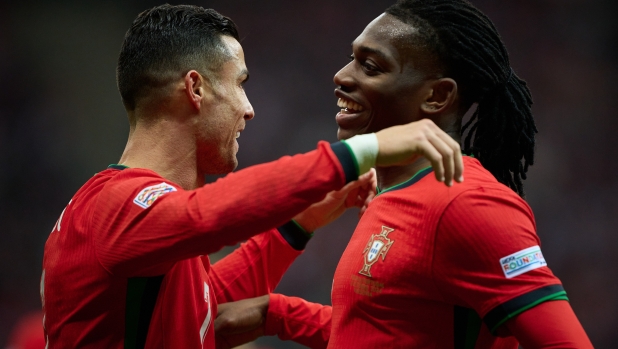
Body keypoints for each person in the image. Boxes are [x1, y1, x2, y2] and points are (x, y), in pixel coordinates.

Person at [39, 4, 464, 349]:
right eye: (239, 83)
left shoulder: (135, 216)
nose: (248, 108)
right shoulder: (115, 205)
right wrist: (362, 150)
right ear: (196, 88)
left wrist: (302, 222)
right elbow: (207, 217)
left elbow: (204, 305)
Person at [213, 1, 594, 348]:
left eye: (371, 66)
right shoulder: (388, 190)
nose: (341, 76)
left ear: (437, 96)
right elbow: (389, 332)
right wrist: (278, 315)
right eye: (352, 58)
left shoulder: (468, 203)